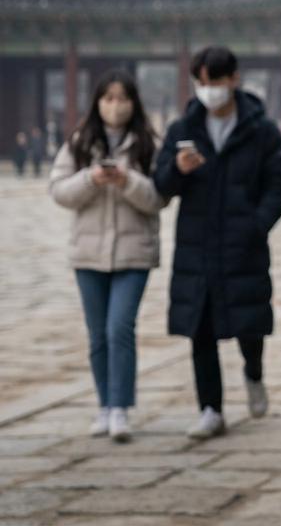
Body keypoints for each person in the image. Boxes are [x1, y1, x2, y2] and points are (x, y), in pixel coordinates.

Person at [153, 46, 281, 438]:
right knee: (201, 326)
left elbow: (278, 183)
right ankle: (210, 408)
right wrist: (177, 171)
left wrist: (258, 222)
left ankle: (253, 372)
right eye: (202, 82)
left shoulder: (261, 130)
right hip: (197, 243)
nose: (209, 89)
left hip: (243, 241)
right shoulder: (183, 130)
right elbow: (161, 182)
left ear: (234, 79)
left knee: (249, 322)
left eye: (215, 80)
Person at [48, 71, 166, 442]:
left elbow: (159, 198)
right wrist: (90, 179)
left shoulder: (148, 145)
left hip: (134, 253)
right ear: (97, 102)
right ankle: (103, 404)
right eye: (108, 97)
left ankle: (120, 407)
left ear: (134, 103)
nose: (116, 106)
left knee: (120, 329)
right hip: (89, 253)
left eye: (123, 98)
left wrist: (126, 181)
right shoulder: (79, 144)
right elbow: (59, 191)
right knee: (97, 334)